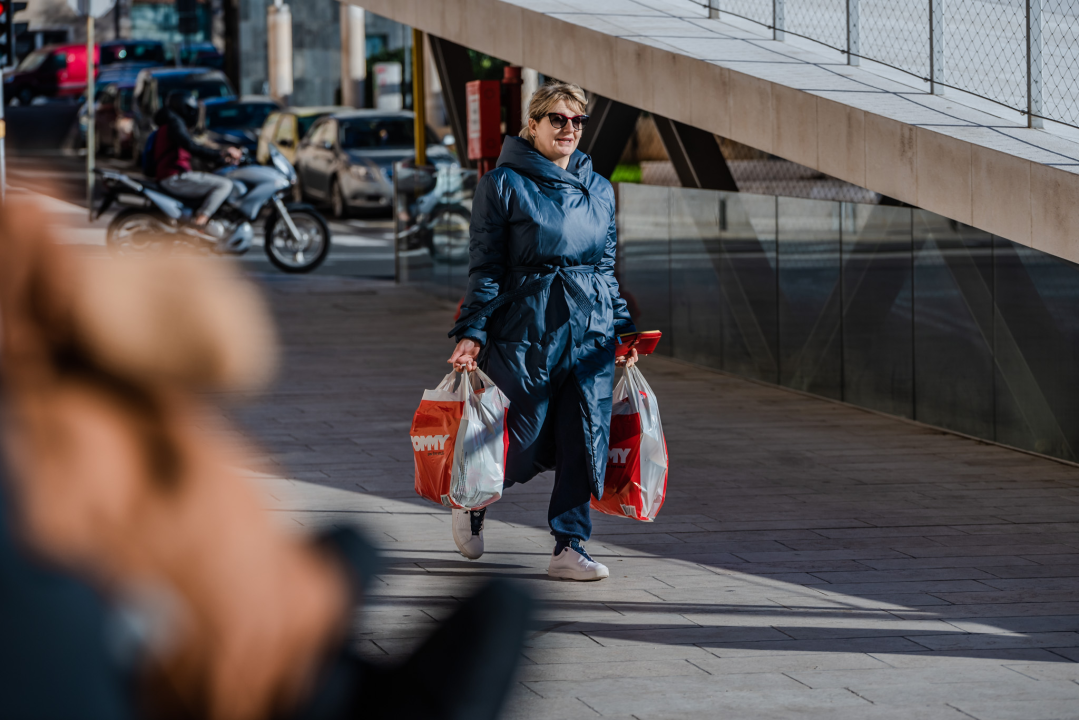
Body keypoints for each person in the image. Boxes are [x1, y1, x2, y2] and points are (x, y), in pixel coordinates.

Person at [446, 81, 640, 582]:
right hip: (527, 327)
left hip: (590, 329)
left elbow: (605, 266)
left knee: (584, 434)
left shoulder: (598, 186)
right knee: (523, 437)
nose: (569, 129)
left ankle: (569, 545)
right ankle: (472, 497)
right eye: (558, 119)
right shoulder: (502, 184)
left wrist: (623, 331)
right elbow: (486, 267)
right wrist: (473, 332)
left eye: (578, 121)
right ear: (533, 125)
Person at [152, 91, 242, 236]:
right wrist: (221, 153)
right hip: (174, 177)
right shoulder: (175, 123)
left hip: (173, 175)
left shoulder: (171, 122)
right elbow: (192, 147)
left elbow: (194, 146)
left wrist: (219, 158)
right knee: (225, 184)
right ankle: (200, 222)